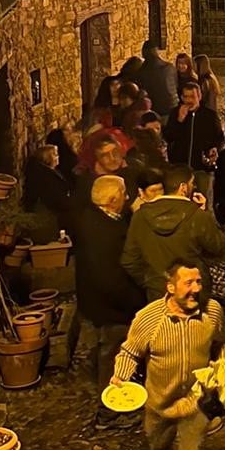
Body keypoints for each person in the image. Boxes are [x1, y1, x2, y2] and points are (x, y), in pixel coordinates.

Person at [112, 261, 225, 450]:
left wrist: (222, 363)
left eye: (199, 282)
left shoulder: (212, 311)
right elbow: (130, 352)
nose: (196, 290)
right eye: (188, 283)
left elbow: (223, 340)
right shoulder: (149, 318)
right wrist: (120, 377)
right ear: (170, 287)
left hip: (196, 403)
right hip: (159, 405)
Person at [73, 174, 141, 413]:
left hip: (98, 301)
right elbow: (109, 279)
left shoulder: (94, 218)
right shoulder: (102, 233)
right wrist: (135, 301)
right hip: (111, 306)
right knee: (113, 356)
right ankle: (110, 410)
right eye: (123, 193)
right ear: (113, 200)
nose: (128, 196)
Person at [122, 163, 225, 299]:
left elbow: (130, 260)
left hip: (158, 292)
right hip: (193, 292)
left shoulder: (140, 216)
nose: (194, 187)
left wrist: (152, 282)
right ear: (183, 187)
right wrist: (207, 212)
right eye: (192, 183)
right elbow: (218, 247)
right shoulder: (197, 215)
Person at [163, 81, 225, 200]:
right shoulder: (175, 114)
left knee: (205, 201)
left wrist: (215, 148)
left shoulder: (209, 116)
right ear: (181, 97)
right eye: (185, 96)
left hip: (202, 169)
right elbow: (168, 137)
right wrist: (179, 120)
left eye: (192, 96)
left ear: (199, 97)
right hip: (181, 168)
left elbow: (220, 138)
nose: (189, 100)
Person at [22, 142, 70, 237]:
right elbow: (53, 196)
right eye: (55, 155)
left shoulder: (51, 173)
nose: (58, 157)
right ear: (47, 157)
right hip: (50, 216)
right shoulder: (46, 176)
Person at [138, 40, 179, 119]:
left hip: (155, 110)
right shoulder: (170, 67)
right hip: (173, 106)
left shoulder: (143, 72)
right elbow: (175, 85)